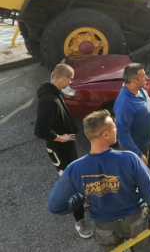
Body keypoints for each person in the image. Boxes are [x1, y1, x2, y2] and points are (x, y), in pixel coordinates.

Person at [48, 110, 150, 252]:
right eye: (114, 127)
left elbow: (55, 206)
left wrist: (81, 198)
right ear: (106, 134)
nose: (116, 129)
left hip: (104, 226)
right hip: (135, 220)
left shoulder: (74, 169)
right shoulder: (130, 159)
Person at [34, 63, 94, 238]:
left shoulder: (53, 91)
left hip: (67, 147)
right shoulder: (48, 100)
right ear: (63, 77)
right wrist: (61, 137)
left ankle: (82, 200)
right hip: (59, 149)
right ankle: (80, 220)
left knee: (77, 176)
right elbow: (40, 131)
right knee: (71, 183)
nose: (72, 82)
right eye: (71, 78)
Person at [114, 63, 150, 197]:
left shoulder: (141, 91)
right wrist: (138, 154)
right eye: (143, 76)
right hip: (135, 148)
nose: (147, 78)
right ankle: (143, 204)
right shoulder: (125, 103)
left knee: (149, 168)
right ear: (133, 81)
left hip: (146, 142)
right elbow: (122, 134)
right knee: (135, 176)